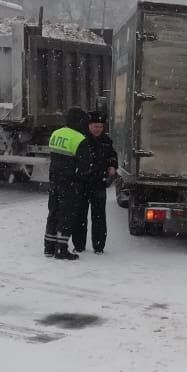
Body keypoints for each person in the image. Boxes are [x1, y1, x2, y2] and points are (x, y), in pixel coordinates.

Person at [43, 107, 95, 260]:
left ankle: (49, 247)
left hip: (54, 180)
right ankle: (61, 249)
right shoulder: (79, 139)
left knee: (53, 212)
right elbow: (85, 166)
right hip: (70, 183)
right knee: (66, 215)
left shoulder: (56, 133)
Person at [73, 110, 118, 254]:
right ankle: (79, 245)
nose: (98, 129)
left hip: (99, 183)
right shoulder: (81, 139)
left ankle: (99, 246)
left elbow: (112, 156)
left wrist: (112, 165)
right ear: (89, 126)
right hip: (81, 182)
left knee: (99, 216)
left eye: (100, 126)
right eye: (95, 126)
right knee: (80, 215)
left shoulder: (106, 141)